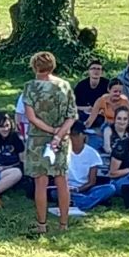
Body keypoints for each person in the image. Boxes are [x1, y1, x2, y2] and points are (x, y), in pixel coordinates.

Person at [22, 51, 78, 234]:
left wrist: (51, 131)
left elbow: (31, 118)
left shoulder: (30, 87)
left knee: (41, 183)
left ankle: (42, 225)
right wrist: (59, 134)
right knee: (62, 180)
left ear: (34, 66)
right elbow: (72, 116)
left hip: (38, 140)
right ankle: (63, 224)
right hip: (61, 140)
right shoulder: (64, 86)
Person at [64, 121, 117, 211]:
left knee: (110, 188)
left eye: (75, 135)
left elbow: (92, 182)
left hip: (85, 189)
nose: (73, 138)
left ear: (83, 135)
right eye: (71, 135)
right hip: (66, 188)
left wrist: (79, 189)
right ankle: (87, 201)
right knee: (57, 192)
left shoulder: (92, 153)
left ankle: (81, 202)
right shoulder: (63, 152)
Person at [74, 60, 109, 127]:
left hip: (100, 114)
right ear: (88, 71)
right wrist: (85, 108)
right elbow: (73, 105)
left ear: (102, 72)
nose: (96, 71)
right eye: (93, 68)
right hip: (84, 112)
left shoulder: (107, 84)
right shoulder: (81, 85)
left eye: (98, 69)